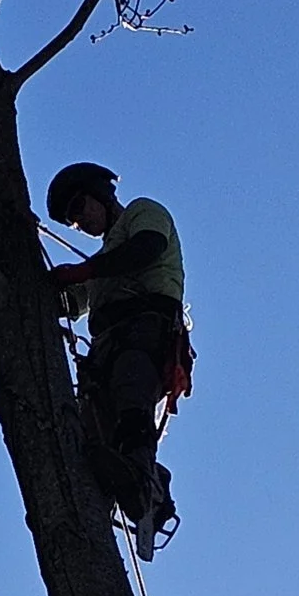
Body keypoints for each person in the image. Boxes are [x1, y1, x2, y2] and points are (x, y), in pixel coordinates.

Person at [43, 159, 192, 558]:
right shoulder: (104, 260)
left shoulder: (143, 214)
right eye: (72, 221)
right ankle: (132, 482)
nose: (79, 221)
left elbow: (147, 248)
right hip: (106, 344)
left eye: (79, 207)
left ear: (102, 194)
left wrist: (83, 271)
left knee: (131, 387)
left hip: (146, 327)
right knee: (94, 422)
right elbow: (72, 301)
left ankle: (143, 479)